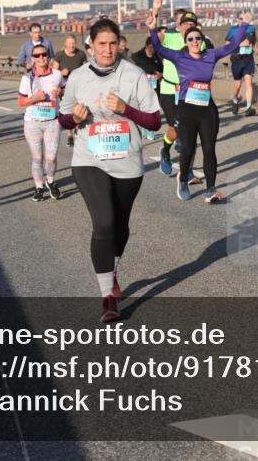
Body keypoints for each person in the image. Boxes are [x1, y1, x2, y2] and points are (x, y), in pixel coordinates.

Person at [58, 18, 161, 323]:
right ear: (90, 45)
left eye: (112, 43)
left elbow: (154, 121)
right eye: (101, 44)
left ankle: (112, 268)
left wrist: (126, 110)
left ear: (120, 44)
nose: (107, 49)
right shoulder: (78, 77)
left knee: (120, 225)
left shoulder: (134, 75)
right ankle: (107, 298)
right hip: (89, 158)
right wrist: (74, 120)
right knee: (103, 222)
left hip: (127, 160)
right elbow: (63, 119)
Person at [148, 0, 250, 203]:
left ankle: (210, 189)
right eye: (191, 39)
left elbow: (232, 46)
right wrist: (152, 27)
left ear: (202, 40)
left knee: (209, 149)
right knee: (187, 149)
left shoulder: (210, 55)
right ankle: (183, 179)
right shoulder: (179, 57)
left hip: (207, 110)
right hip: (187, 109)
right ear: (185, 42)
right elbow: (158, 48)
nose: (194, 41)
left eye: (198, 38)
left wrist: (244, 25)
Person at [154, 10, 207, 182]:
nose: (188, 27)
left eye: (192, 24)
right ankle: (165, 150)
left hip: (191, 91)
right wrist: (154, 14)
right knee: (175, 130)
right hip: (170, 90)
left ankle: (188, 171)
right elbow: (155, 36)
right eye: (185, 24)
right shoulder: (170, 37)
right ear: (180, 25)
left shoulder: (199, 42)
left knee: (191, 133)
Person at [18, 44, 65, 201]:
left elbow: (66, 90)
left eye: (43, 54)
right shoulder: (27, 77)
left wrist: (61, 91)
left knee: (51, 158)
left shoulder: (57, 75)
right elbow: (21, 101)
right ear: (32, 59)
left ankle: (50, 182)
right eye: (37, 55)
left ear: (48, 56)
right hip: (33, 123)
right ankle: (38, 187)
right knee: (37, 158)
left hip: (52, 122)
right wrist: (34, 99)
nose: (40, 58)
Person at [53, 34, 89, 147]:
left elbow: (87, 68)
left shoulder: (81, 54)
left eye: (73, 43)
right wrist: (61, 72)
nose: (72, 46)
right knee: (68, 110)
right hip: (64, 86)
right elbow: (54, 72)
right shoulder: (59, 55)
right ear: (65, 44)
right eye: (69, 44)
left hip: (79, 85)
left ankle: (78, 131)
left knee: (78, 108)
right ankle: (69, 135)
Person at [226, 14, 258, 117]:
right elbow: (227, 43)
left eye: (244, 18)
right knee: (238, 84)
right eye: (240, 19)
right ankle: (235, 99)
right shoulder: (233, 30)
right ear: (237, 19)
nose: (242, 20)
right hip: (237, 59)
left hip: (248, 58)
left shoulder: (251, 28)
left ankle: (248, 108)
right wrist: (236, 46)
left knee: (249, 82)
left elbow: (254, 39)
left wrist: (255, 47)